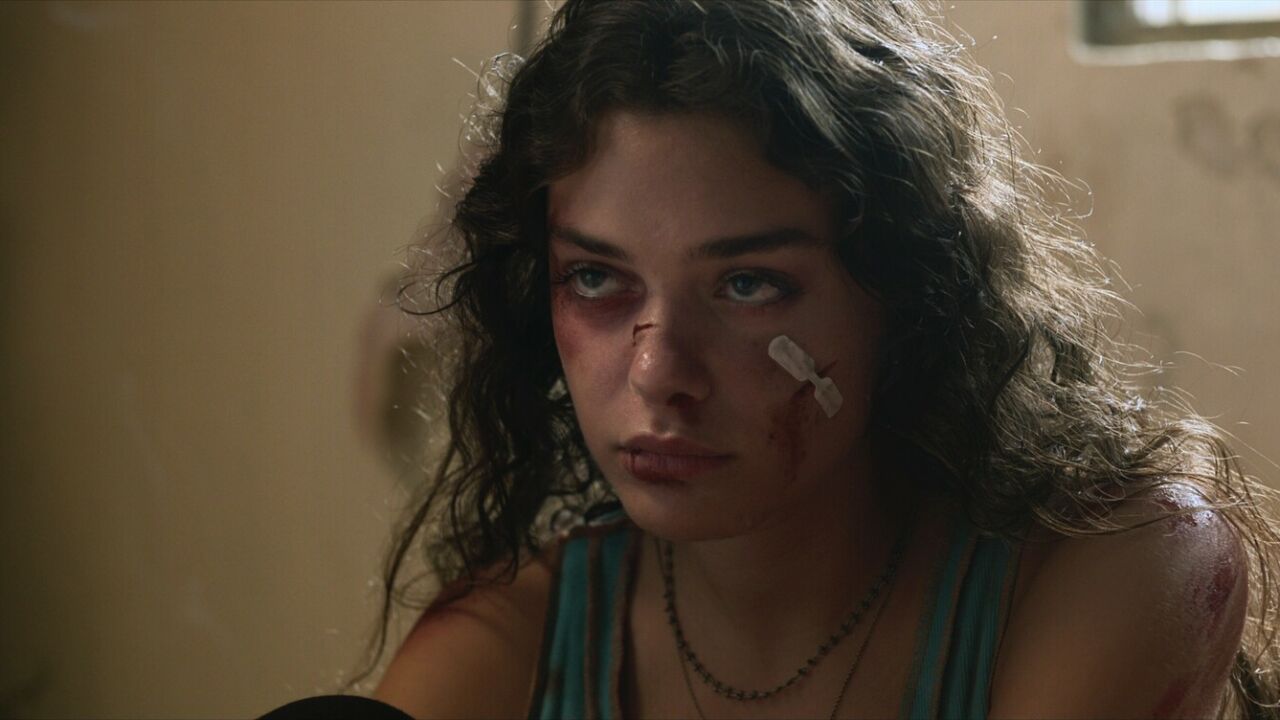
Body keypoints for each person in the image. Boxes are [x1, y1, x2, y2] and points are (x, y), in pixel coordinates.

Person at [352, 1, 1280, 717]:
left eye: (748, 284)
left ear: (907, 292)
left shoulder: (1116, 567)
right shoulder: (517, 642)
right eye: (596, 278)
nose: (659, 372)